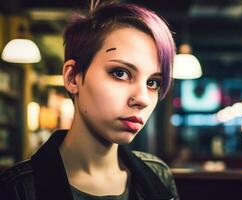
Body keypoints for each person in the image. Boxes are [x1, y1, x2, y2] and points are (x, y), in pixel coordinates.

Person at [0, 1, 179, 199]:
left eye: (153, 82)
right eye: (120, 73)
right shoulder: (19, 188)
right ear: (72, 78)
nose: (143, 99)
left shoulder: (157, 174)